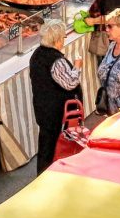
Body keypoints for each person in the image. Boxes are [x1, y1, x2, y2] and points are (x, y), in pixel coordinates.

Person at [29, 20, 83, 174]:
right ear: (57, 40)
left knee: (45, 143)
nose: (63, 41)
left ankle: (43, 174)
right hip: (55, 112)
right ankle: (51, 175)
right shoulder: (56, 61)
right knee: (54, 145)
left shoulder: (36, 54)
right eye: (63, 38)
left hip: (42, 107)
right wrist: (77, 66)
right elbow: (70, 83)